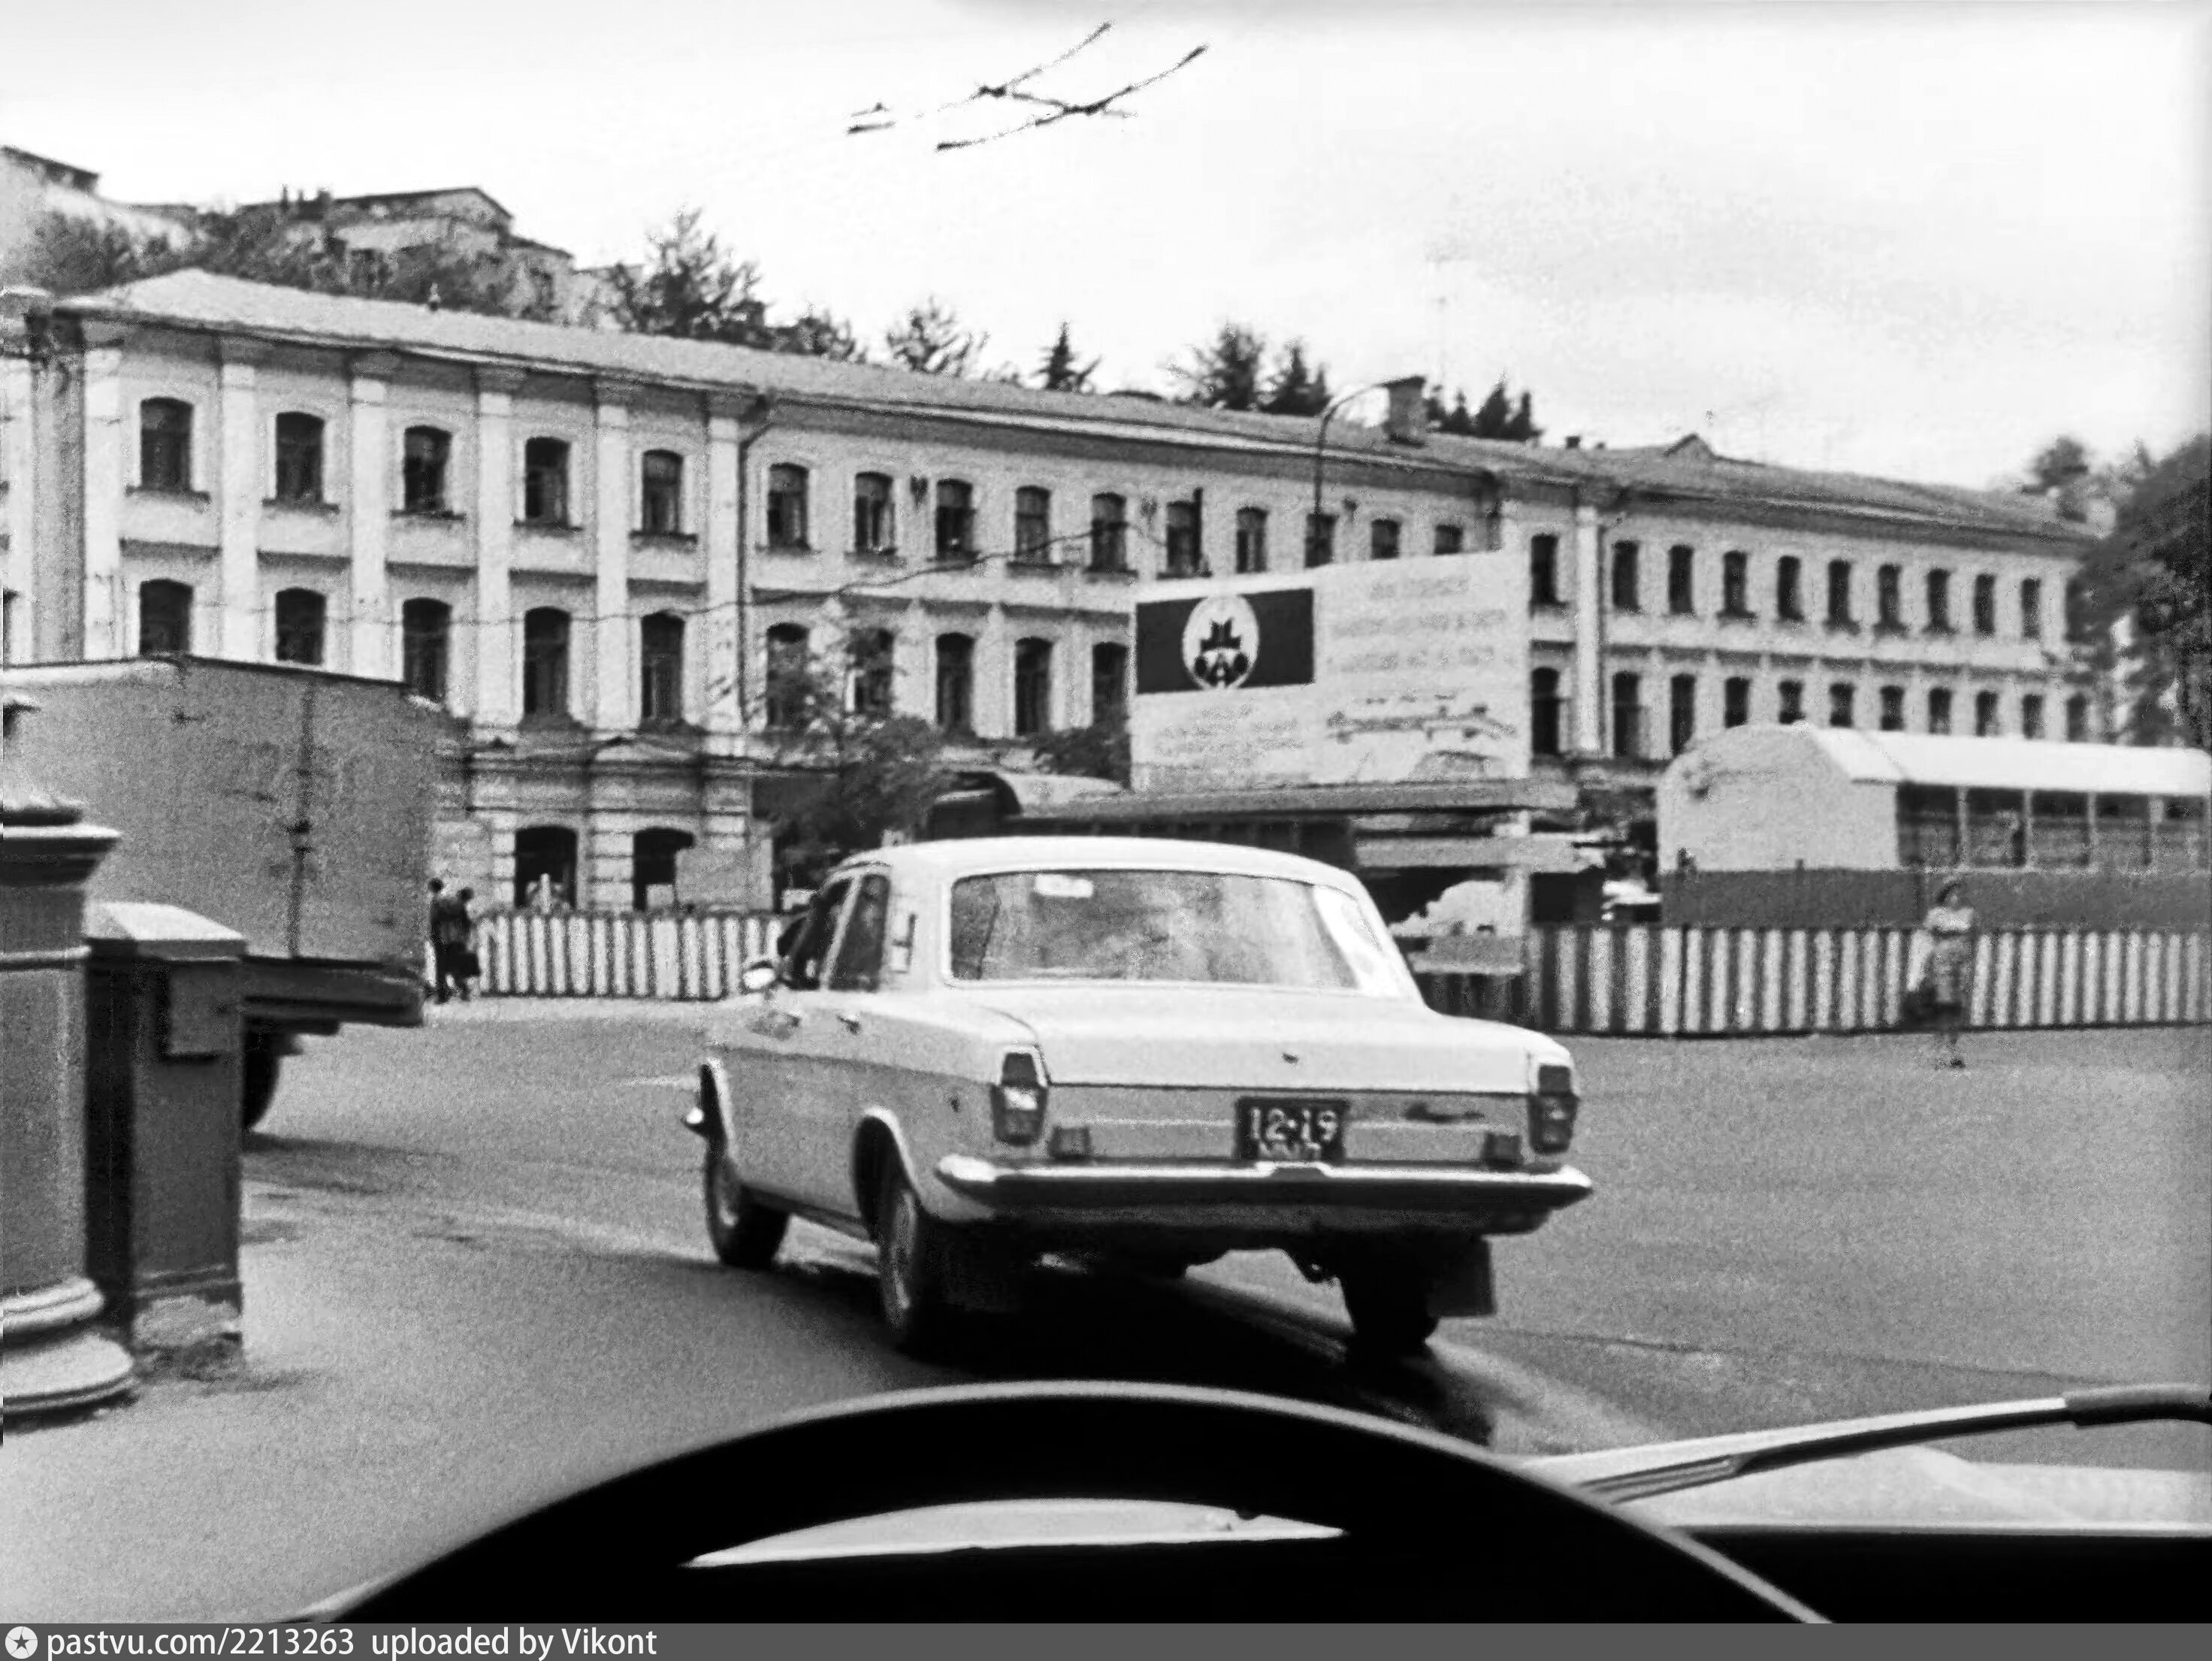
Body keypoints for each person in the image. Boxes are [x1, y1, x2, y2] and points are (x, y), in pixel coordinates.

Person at [1920, 879, 1976, 1070]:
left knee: (1958, 1008)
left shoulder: (1969, 914)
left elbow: (1973, 937)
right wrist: (1926, 967)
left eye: (1960, 893)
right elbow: (1927, 941)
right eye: (1953, 893)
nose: (1957, 897)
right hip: (1942, 964)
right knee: (1944, 1005)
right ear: (1945, 895)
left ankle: (1952, 1049)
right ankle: (1938, 1050)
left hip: (1962, 964)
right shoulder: (1936, 915)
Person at [428, 879, 471, 1005]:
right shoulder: (452, 900)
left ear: (432, 888)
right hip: (453, 938)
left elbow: (435, 920)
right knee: (452, 965)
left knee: (441, 967)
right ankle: (463, 989)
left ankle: (443, 995)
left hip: (441, 937)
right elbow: (464, 920)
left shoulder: (437, 901)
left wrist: (433, 935)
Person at [454, 888, 481, 1001]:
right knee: (467, 967)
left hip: (460, 940)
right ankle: (467, 991)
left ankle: (465, 991)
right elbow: (470, 924)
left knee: (460, 967)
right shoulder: (465, 908)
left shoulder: (457, 908)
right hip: (465, 941)